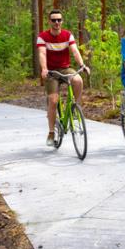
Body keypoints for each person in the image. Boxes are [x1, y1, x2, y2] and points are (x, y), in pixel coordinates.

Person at [37, 9, 90, 146]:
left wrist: (82, 65)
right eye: (53, 20)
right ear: (49, 21)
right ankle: (51, 132)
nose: (56, 22)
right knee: (53, 101)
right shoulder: (43, 36)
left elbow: (75, 51)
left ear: (62, 21)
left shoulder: (67, 35)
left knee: (78, 80)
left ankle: (75, 108)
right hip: (51, 72)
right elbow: (42, 54)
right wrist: (44, 69)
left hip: (65, 68)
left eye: (59, 20)